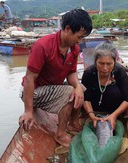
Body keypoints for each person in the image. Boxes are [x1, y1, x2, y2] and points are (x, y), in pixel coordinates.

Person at [19, 8, 93, 148]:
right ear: (67, 28)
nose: (80, 41)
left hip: (53, 88)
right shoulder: (43, 46)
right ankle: (60, 134)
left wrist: (78, 87)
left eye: (83, 37)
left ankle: (73, 123)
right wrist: (28, 111)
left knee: (80, 88)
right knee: (70, 92)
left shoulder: (74, 49)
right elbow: (29, 78)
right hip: (34, 92)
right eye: (79, 36)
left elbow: (71, 73)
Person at [81, 42, 128, 130]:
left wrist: (114, 115)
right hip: (93, 112)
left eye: (109, 64)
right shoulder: (89, 73)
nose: (105, 68)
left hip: (114, 112)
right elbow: (86, 98)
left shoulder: (120, 72)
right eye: (101, 63)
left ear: (115, 62)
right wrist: (91, 115)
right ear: (95, 61)